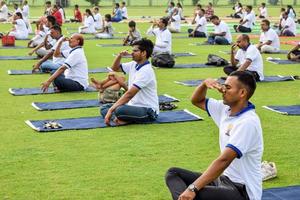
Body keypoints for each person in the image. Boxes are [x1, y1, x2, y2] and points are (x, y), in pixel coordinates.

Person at [166, 70, 263, 200]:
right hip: (224, 180)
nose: (222, 90)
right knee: (173, 174)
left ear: (242, 93)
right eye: (224, 86)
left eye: (228, 87)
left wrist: (193, 188)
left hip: (242, 191)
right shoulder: (225, 110)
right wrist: (204, 84)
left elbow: (224, 160)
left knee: (193, 193)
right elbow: (196, 100)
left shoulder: (247, 122)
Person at [100, 38, 159, 126]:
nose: (132, 53)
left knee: (118, 110)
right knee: (104, 108)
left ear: (143, 53)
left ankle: (121, 118)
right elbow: (115, 68)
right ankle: (122, 119)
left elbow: (129, 94)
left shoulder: (146, 71)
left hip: (147, 111)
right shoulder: (134, 64)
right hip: (133, 106)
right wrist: (119, 56)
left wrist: (111, 110)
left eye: (135, 51)